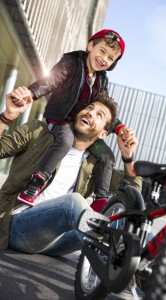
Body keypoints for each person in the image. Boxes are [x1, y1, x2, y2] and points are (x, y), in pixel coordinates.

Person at [0, 90, 142, 253]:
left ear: (103, 134)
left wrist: (128, 157)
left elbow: (133, 194)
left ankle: (145, 263)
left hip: (57, 241)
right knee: (72, 202)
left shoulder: (96, 164)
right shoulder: (39, 131)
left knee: (126, 222)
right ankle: (115, 251)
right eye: (89, 108)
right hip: (16, 226)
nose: (90, 113)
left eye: (99, 115)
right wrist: (7, 116)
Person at [12, 29, 129, 211]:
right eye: (102, 51)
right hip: (62, 119)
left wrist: (119, 127)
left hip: (81, 125)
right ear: (91, 46)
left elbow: (104, 108)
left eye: (110, 58)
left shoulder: (101, 79)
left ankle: (100, 198)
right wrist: (32, 92)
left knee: (107, 155)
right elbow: (51, 80)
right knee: (65, 141)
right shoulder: (72, 62)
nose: (104, 59)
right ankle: (36, 182)